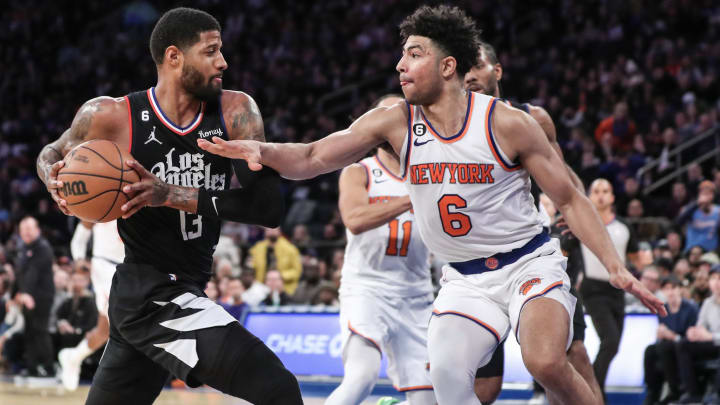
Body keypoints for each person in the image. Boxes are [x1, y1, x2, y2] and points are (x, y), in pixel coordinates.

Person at [198, 5, 665, 404]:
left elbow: (568, 197)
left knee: (544, 359)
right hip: (463, 278)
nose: (400, 64)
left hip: (528, 264)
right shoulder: (395, 121)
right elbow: (316, 155)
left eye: (414, 54)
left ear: (447, 67)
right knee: (445, 378)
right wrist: (264, 152)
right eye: (402, 54)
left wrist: (615, 266)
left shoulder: (508, 123)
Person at [36, 7, 301, 405]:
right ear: (174, 57)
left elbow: (267, 208)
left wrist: (170, 193)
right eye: (211, 51)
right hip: (151, 292)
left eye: (221, 50)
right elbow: (52, 152)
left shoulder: (235, 111)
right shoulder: (114, 115)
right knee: (277, 388)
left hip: (181, 286)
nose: (223, 61)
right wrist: (52, 179)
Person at [464, 41, 601, 405]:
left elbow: (566, 182)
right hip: (477, 266)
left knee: (571, 358)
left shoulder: (530, 118)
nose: (470, 74)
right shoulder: (447, 125)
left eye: (477, 64)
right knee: (485, 387)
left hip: (534, 254)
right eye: (463, 67)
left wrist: (575, 212)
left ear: (497, 70)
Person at [326, 95, 436, 405]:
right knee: (362, 376)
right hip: (367, 288)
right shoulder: (359, 171)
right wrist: (410, 198)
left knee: (428, 396)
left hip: (416, 293)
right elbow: (355, 219)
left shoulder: (430, 170)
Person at [580, 178, 641, 398]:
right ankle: (594, 394)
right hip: (592, 289)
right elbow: (566, 252)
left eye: (606, 191)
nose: (601, 195)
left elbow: (635, 258)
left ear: (613, 197)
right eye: (596, 191)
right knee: (610, 340)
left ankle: (594, 390)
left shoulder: (624, 226)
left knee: (613, 345)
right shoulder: (580, 223)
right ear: (589, 196)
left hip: (617, 290)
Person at [58, 219, 124, 391]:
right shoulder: (102, 196)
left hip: (132, 267)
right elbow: (81, 235)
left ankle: (73, 356)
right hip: (104, 266)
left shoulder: (144, 196)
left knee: (104, 332)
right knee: (125, 322)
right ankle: (117, 380)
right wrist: (79, 258)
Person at [643, 275, 698, 405]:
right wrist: (661, 335)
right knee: (650, 350)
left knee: (666, 347)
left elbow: (693, 334)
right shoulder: (663, 309)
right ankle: (652, 391)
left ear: (679, 289)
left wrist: (671, 336)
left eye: (673, 288)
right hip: (668, 344)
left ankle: (675, 390)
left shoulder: (690, 308)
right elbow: (662, 333)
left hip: (686, 345)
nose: (671, 292)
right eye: (667, 288)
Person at [14, 216, 55, 377]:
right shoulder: (23, 247)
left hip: (42, 296)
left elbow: (34, 273)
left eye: (29, 229)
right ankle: (32, 367)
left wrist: (27, 294)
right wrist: (15, 294)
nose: (26, 232)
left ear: (37, 230)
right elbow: (20, 274)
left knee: (40, 330)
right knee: (29, 331)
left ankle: (49, 368)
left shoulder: (43, 247)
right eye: (23, 229)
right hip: (27, 296)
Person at [675, 264, 720, 404]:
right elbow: (700, 325)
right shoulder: (708, 302)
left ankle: (717, 395)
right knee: (683, 344)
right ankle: (693, 393)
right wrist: (694, 332)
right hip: (710, 344)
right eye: (713, 278)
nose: (716, 282)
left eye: (719, 278)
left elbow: (709, 335)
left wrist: (711, 336)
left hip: (715, 340)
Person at [55, 271, 98, 354]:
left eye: (80, 280)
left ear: (86, 282)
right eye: (74, 280)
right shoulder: (69, 299)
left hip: (81, 336)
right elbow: (59, 314)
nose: (76, 284)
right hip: (66, 335)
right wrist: (63, 324)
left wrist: (75, 330)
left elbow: (92, 323)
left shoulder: (90, 301)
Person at [249, 227, 303, 294]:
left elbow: (297, 271)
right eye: (268, 229)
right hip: (261, 286)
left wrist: (280, 277)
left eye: (274, 229)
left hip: (285, 287)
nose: (271, 231)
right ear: (265, 232)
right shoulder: (257, 249)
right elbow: (251, 267)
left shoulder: (290, 249)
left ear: (279, 231)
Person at [677, 180, 720, 253]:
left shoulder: (718, 211)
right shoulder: (690, 209)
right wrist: (697, 203)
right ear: (699, 194)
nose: (706, 196)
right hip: (692, 250)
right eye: (704, 193)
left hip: (710, 252)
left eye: (709, 193)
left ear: (713, 196)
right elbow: (678, 222)